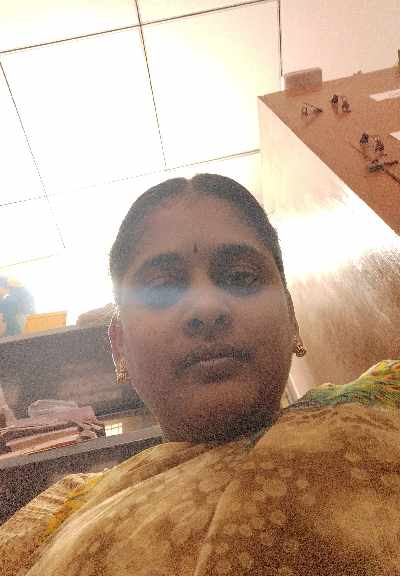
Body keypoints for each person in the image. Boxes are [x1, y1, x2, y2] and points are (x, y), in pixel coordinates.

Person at [1, 174, 400, 575]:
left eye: (241, 276)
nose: (207, 307)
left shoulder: (388, 407)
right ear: (120, 347)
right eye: (161, 287)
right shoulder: (52, 521)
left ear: (292, 317)